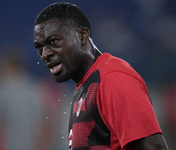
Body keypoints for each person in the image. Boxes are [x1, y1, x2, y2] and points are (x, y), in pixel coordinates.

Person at [33, 2, 169, 150]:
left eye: (53, 41)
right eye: (39, 47)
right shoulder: (86, 85)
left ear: (82, 36)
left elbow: (153, 147)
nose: (45, 54)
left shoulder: (113, 79)